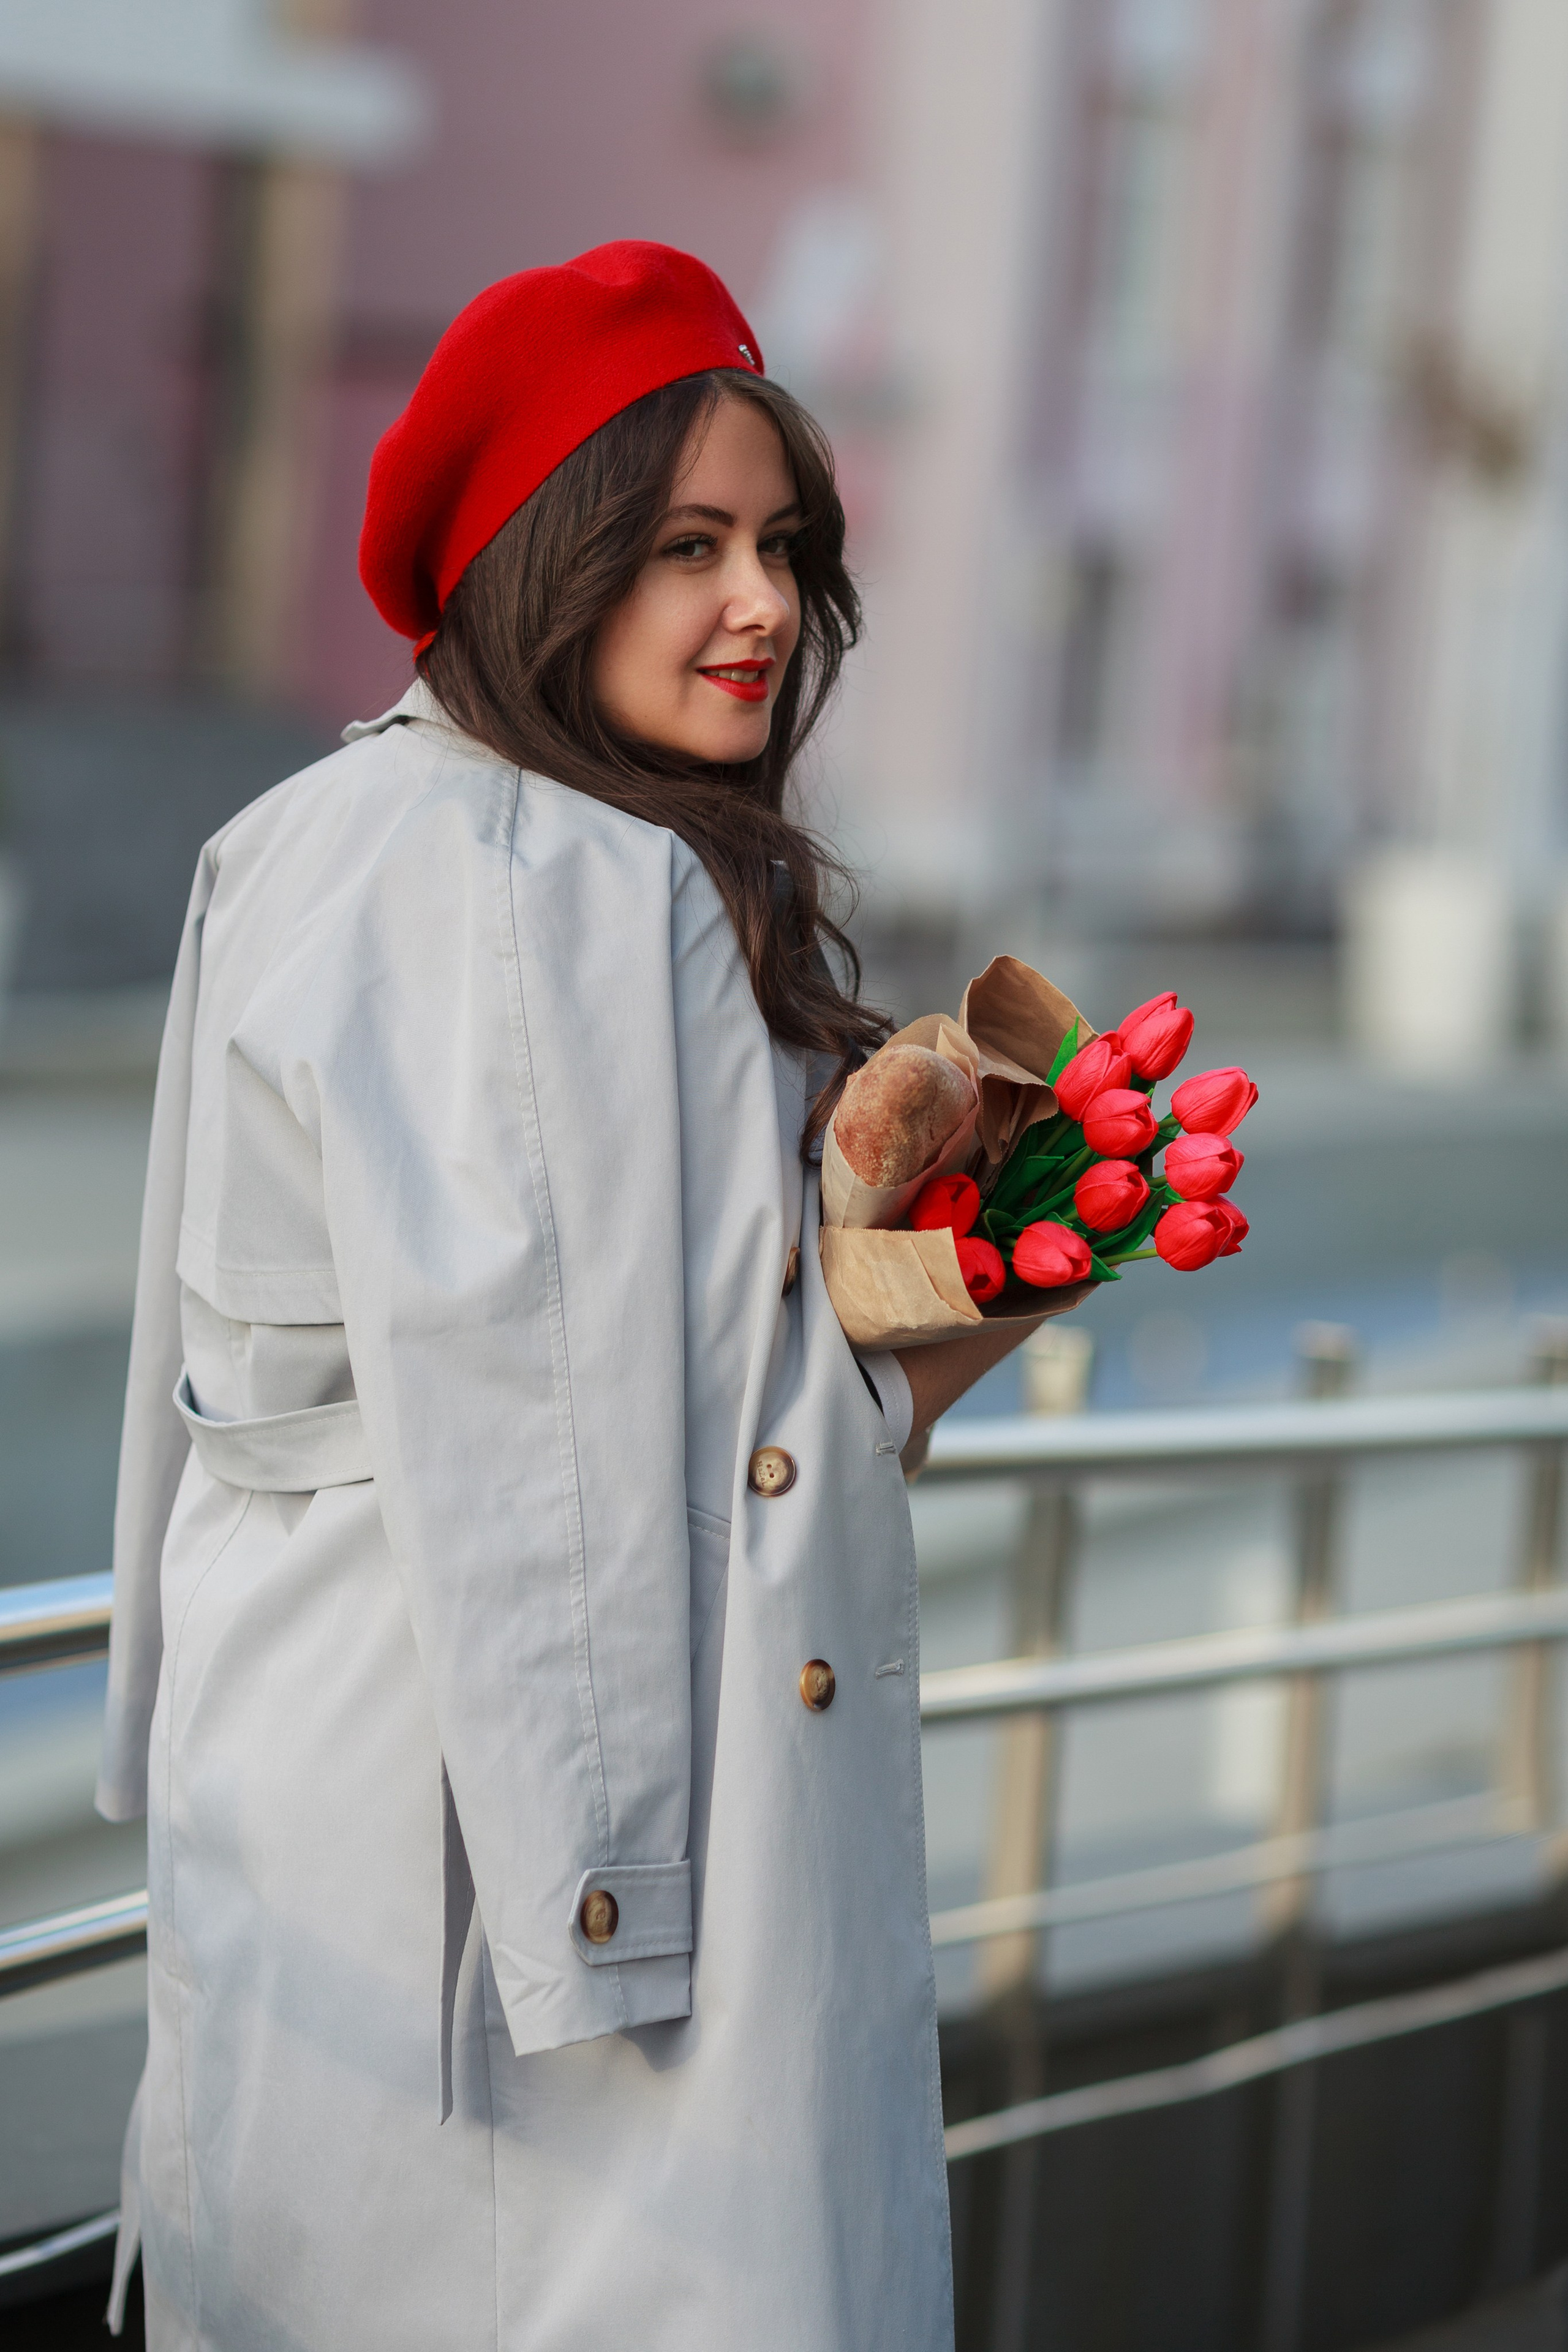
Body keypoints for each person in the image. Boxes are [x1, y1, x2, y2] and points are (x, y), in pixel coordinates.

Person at [96, 241, 1069, 2350]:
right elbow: (595, 1464)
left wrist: (141, 1729)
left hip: (325, 1805)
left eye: (785, 546)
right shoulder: (563, 886)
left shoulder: (315, 836)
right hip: (548, 1893)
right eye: (687, 545)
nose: (762, 606)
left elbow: (259, 1399)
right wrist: (603, 1921)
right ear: (550, 560)